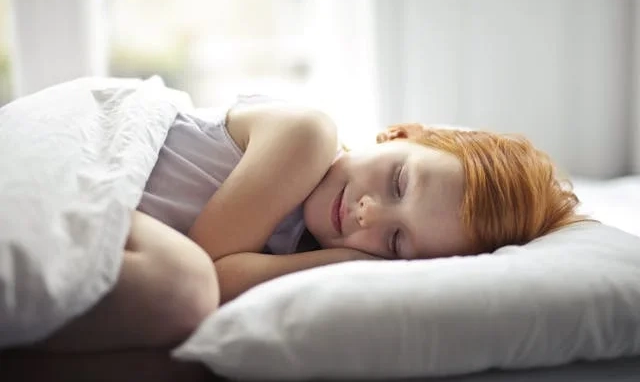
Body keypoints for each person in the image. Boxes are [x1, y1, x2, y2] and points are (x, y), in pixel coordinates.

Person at [35, 94, 587, 353]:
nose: (370, 214)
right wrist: (353, 258)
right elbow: (214, 272)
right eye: (399, 182)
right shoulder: (307, 136)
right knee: (182, 289)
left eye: (394, 242)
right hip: (65, 161)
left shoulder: (288, 249)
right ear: (397, 136)